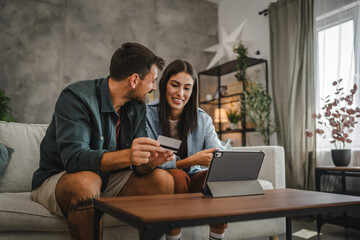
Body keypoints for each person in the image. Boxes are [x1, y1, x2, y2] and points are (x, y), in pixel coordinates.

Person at [30, 42, 176, 240]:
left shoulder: (137, 106)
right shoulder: (76, 97)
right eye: (152, 81)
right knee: (87, 181)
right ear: (134, 80)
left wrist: (149, 162)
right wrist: (129, 155)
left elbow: (137, 163)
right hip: (61, 178)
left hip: (108, 180)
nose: (153, 88)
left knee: (163, 180)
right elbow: (74, 159)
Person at [146, 59, 228, 240]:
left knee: (217, 181)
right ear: (164, 84)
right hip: (168, 177)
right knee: (177, 176)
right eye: (175, 85)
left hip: (194, 176)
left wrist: (218, 157)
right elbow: (150, 162)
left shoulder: (202, 118)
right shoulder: (147, 115)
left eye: (187, 88)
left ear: (193, 91)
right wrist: (192, 161)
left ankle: (217, 237)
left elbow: (218, 150)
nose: (180, 93)